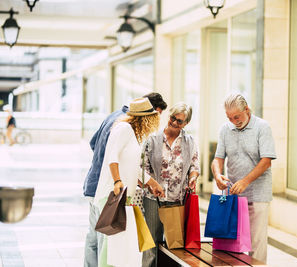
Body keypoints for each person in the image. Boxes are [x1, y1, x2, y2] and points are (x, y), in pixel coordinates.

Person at [83, 93, 167, 267]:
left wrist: (151, 183)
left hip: (122, 197)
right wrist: (117, 181)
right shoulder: (124, 129)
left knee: (117, 248)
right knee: (110, 248)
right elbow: (112, 157)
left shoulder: (131, 133)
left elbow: (133, 166)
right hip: (112, 196)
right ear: (143, 118)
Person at [211, 93, 276, 263]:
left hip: (257, 195)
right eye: (229, 117)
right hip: (233, 196)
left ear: (246, 110)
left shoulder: (262, 127)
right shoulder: (225, 129)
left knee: (255, 242)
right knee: (232, 242)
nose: (233, 121)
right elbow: (218, 158)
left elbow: (266, 161)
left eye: (237, 116)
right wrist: (217, 175)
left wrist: (245, 181)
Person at [142, 102, 200, 267]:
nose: (174, 122)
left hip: (177, 199)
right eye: (172, 118)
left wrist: (193, 178)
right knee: (151, 243)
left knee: (174, 245)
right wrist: (151, 185)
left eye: (179, 121)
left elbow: (194, 166)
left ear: (186, 123)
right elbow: (143, 168)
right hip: (153, 199)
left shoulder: (189, 141)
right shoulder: (153, 139)